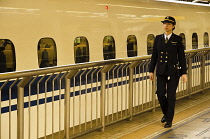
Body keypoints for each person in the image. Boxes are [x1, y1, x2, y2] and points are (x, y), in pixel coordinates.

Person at [149, 16, 187, 128]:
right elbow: (154, 56)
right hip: (161, 71)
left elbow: (181, 57)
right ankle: (166, 113)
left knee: (171, 96)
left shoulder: (177, 39)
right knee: (160, 94)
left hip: (173, 71)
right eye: (164, 23)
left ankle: (169, 120)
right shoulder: (158, 38)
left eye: (169, 24)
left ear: (173, 26)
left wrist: (184, 72)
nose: (166, 25)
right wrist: (151, 70)